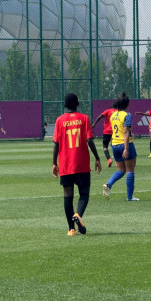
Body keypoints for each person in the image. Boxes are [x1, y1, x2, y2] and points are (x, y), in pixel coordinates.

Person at [53, 93, 102, 236]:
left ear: (65, 105)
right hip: (81, 163)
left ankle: (71, 229)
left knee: (68, 196)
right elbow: (90, 141)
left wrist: (54, 163)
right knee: (84, 194)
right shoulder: (84, 118)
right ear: (78, 104)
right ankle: (78, 214)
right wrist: (97, 158)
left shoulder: (59, 120)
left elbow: (56, 143)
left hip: (65, 164)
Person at [102, 92, 139, 201]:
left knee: (121, 170)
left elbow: (119, 129)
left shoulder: (113, 115)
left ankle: (108, 184)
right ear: (127, 104)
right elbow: (126, 132)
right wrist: (127, 148)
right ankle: (129, 197)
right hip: (124, 144)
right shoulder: (127, 115)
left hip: (114, 144)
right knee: (130, 170)